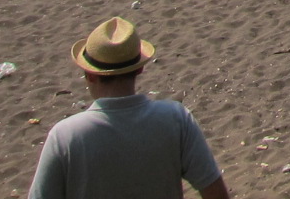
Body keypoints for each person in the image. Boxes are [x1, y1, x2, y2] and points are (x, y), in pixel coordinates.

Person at [27, 16, 228, 199]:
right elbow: (215, 193)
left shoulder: (65, 136)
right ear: (140, 68)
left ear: (89, 74)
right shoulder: (176, 119)